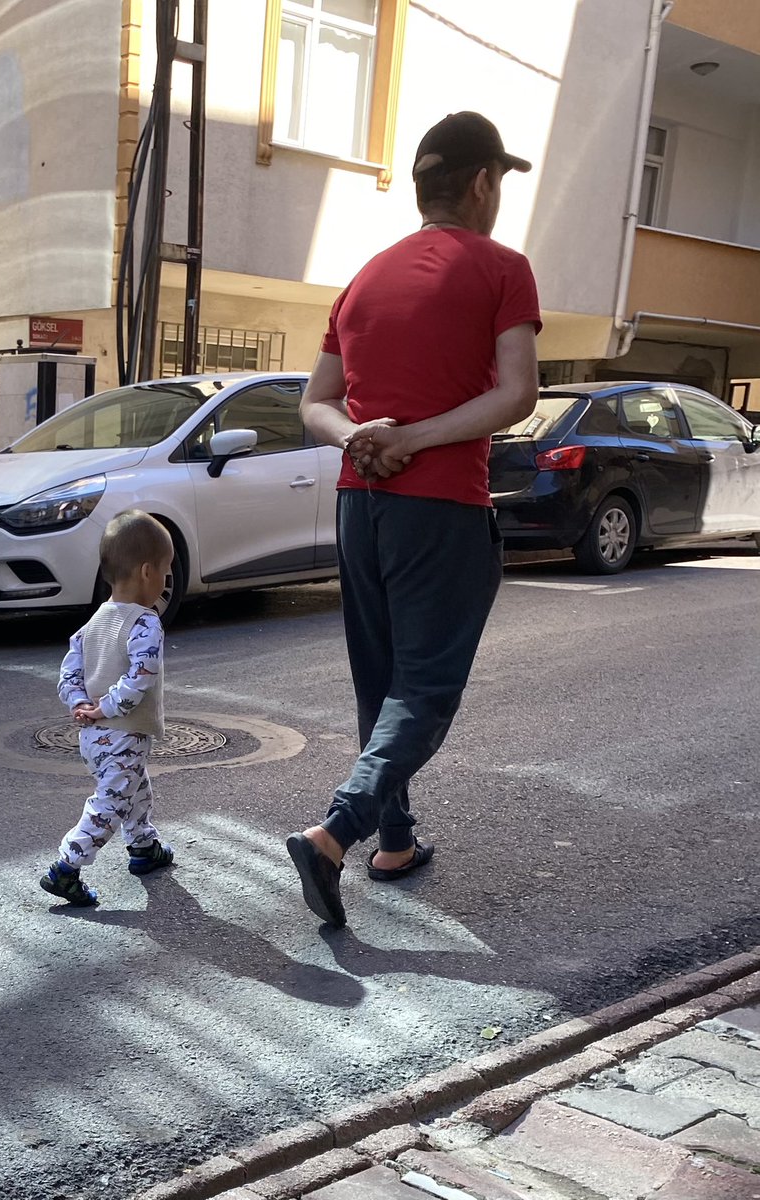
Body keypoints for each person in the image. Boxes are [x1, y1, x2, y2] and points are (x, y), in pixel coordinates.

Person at [287, 112, 542, 928]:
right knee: (425, 690)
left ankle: (393, 840)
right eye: (497, 182)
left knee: (381, 679)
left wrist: (365, 438)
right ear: (480, 184)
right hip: (439, 508)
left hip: (358, 505)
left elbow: (314, 404)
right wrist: (417, 439)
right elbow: (516, 394)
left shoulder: (361, 279)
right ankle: (336, 831)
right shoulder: (502, 267)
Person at [41, 510, 176, 906]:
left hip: (93, 739)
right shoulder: (145, 623)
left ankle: (143, 846)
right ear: (147, 571)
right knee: (110, 803)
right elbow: (140, 677)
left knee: (135, 789)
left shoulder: (94, 621)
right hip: (123, 732)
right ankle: (66, 868)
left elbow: (70, 672)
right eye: (166, 573)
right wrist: (104, 708)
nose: (166, 583)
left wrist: (78, 702)